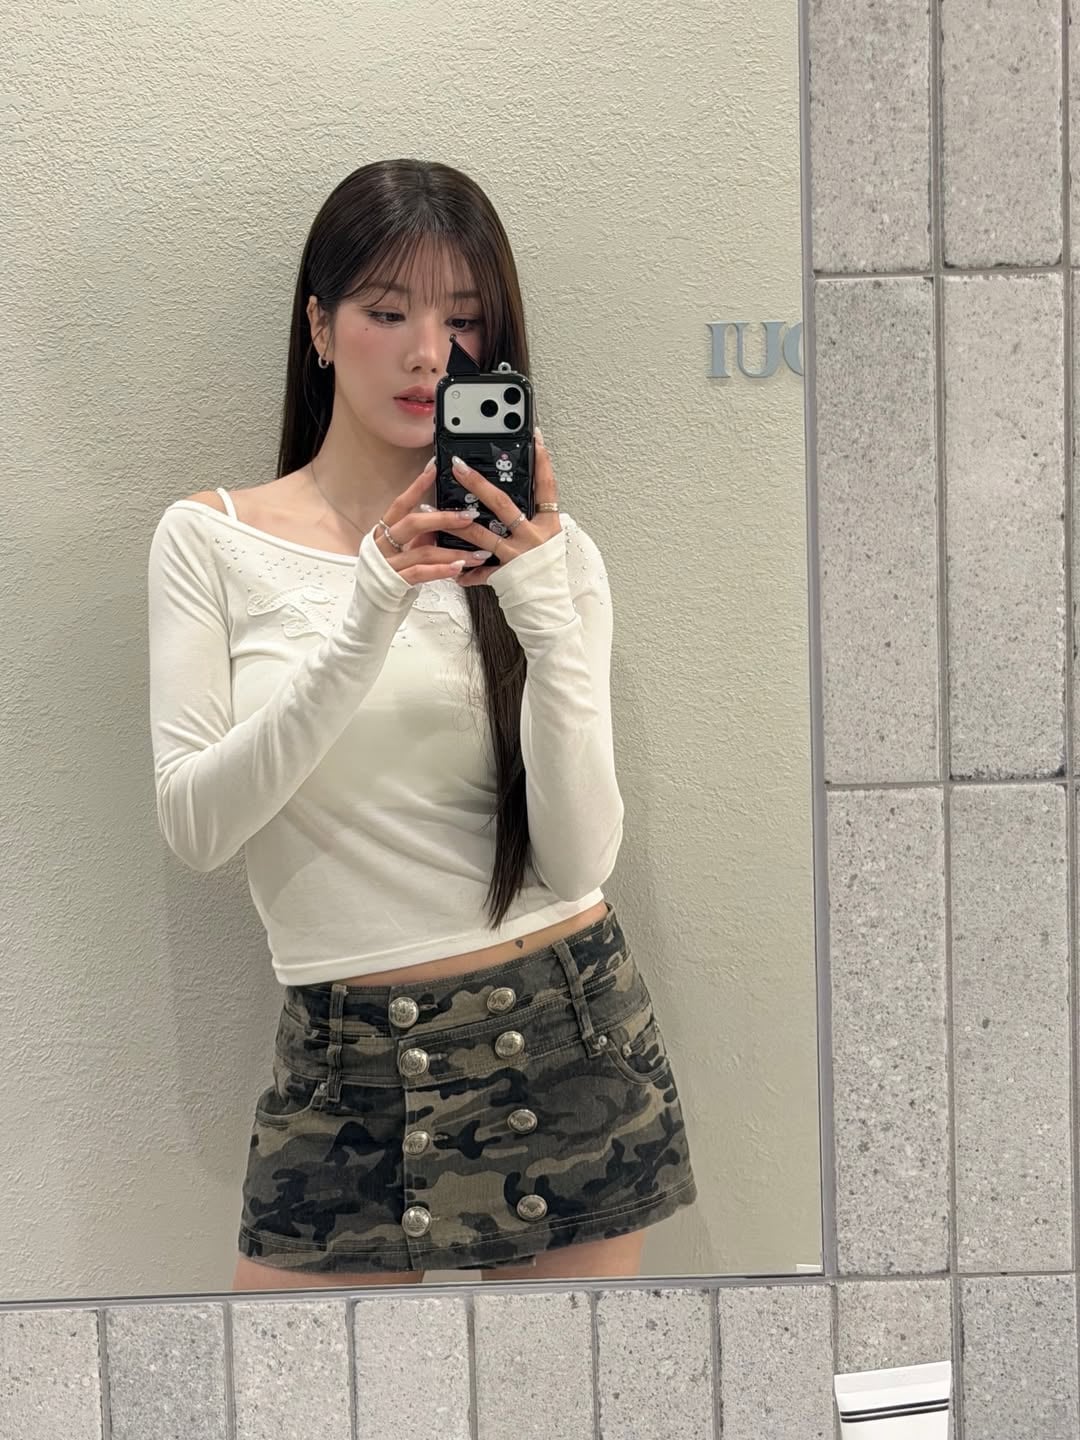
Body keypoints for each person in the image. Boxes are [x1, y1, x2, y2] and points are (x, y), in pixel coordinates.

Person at [147, 158, 696, 1288]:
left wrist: (540, 607)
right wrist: (369, 607)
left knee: (561, 1389)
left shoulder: (553, 558)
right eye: (388, 312)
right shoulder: (210, 541)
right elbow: (198, 829)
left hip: (564, 1038)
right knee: (286, 1380)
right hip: (344, 1069)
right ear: (319, 326)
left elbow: (579, 859)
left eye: (464, 319)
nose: (427, 354)